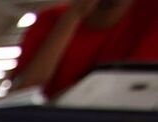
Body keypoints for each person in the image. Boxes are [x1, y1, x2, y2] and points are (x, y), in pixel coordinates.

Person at [13, 0, 158, 98]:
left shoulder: (151, 14)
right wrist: (73, 16)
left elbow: (130, 88)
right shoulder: (50, 19)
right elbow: (22, 94)